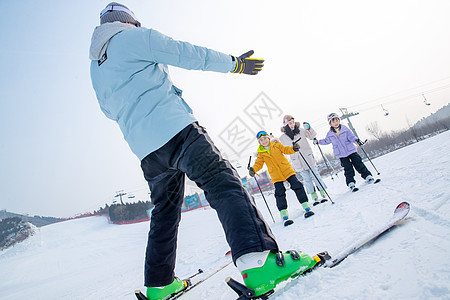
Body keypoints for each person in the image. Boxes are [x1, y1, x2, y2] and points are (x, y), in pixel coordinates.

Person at [89, 3, 316, 299]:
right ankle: (258, 262)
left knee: (165, 212)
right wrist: (235, 63)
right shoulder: (133, 37)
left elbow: (108, 111)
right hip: (177, 131)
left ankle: (159, 284)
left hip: (147, 152)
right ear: (128, 21)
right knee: (223, 183)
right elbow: (184, 52)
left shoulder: (96, 67)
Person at [249, 131, 315, 226]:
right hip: (276, 175)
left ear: (268, 138)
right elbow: (258, 164)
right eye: (261, 140)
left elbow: (286, 150)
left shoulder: (276, 145)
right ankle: (284, 213)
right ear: (259, 143)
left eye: (264, 138)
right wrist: (253, 169)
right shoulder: (261, 153)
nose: (263, 141)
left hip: (286, 170)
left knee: (297, 185)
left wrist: (293, 148)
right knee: (279, 193)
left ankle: (306, 205)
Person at [315, 113, 374, 191]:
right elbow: (326, 141)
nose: (336, 123)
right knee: (347, 168)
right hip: (341, 154)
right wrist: (318, 141)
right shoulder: (330, 134)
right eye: (333, 121)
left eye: (337, 120)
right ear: (330, 123)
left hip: (350, 150)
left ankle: (367, 176)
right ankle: (350, 182)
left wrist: (356, 140)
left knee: (358, 163)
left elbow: (351, 137)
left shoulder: (345, 129)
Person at [279, 115, 329, 206]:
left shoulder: (301, 130)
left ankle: (323, 193)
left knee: (315, 176)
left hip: (308, 157)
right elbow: (279, 147)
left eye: (293, 122)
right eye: (290, 123)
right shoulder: (283, 137)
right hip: (298, 161)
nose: (292, 125)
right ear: (286, 125)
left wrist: (309, 128)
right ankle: (314, 197)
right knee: (307, 180)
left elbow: (311, 135)